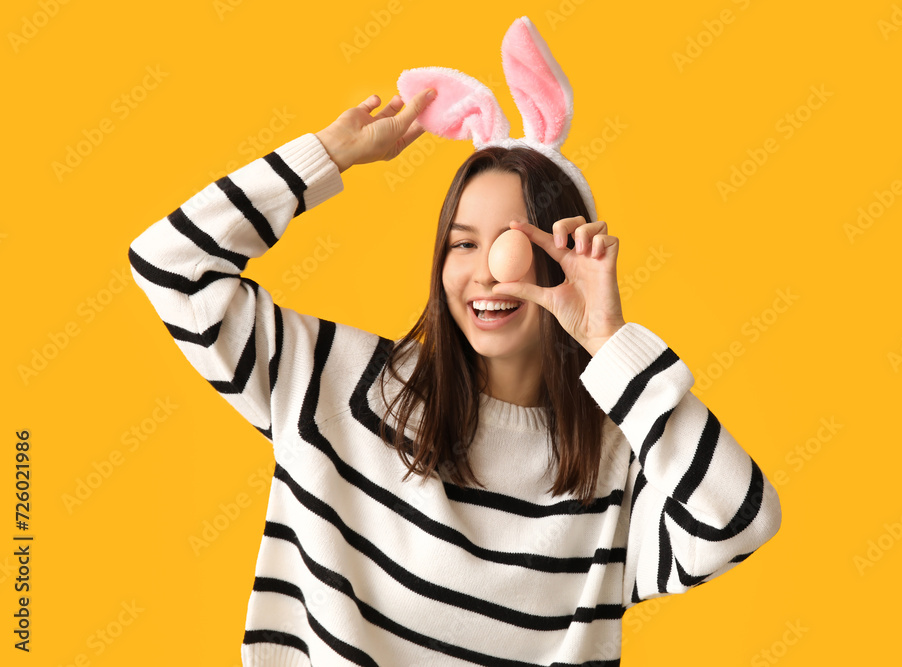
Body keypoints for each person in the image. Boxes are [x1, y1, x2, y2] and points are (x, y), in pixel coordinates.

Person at [128, 86, 782, 666]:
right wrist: (327, 154)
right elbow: (170, 267)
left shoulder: (615, 469)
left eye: (516, 242)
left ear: (563, 261)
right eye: (463, 243)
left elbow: (739, 518)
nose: (489, 272)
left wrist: (606, 339)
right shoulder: (338, 382)